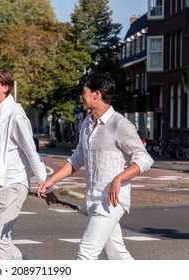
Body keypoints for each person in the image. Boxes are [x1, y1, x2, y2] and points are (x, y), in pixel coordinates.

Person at [38, 73, 154, 260]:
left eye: (84, 92)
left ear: (96, 94)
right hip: (93, 199)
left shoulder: (119, 124)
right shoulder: (87, 124)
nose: (81, 96)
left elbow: (144, 158)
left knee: (86, 254)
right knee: (117, 256)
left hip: (111, 202)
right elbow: (77, 158)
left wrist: (119, 178)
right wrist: (50, 180)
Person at [0, 67, 57, 260]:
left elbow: (31, 152)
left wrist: (46, 184)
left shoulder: (15, 116)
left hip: (12, 183)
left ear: (5, 87)